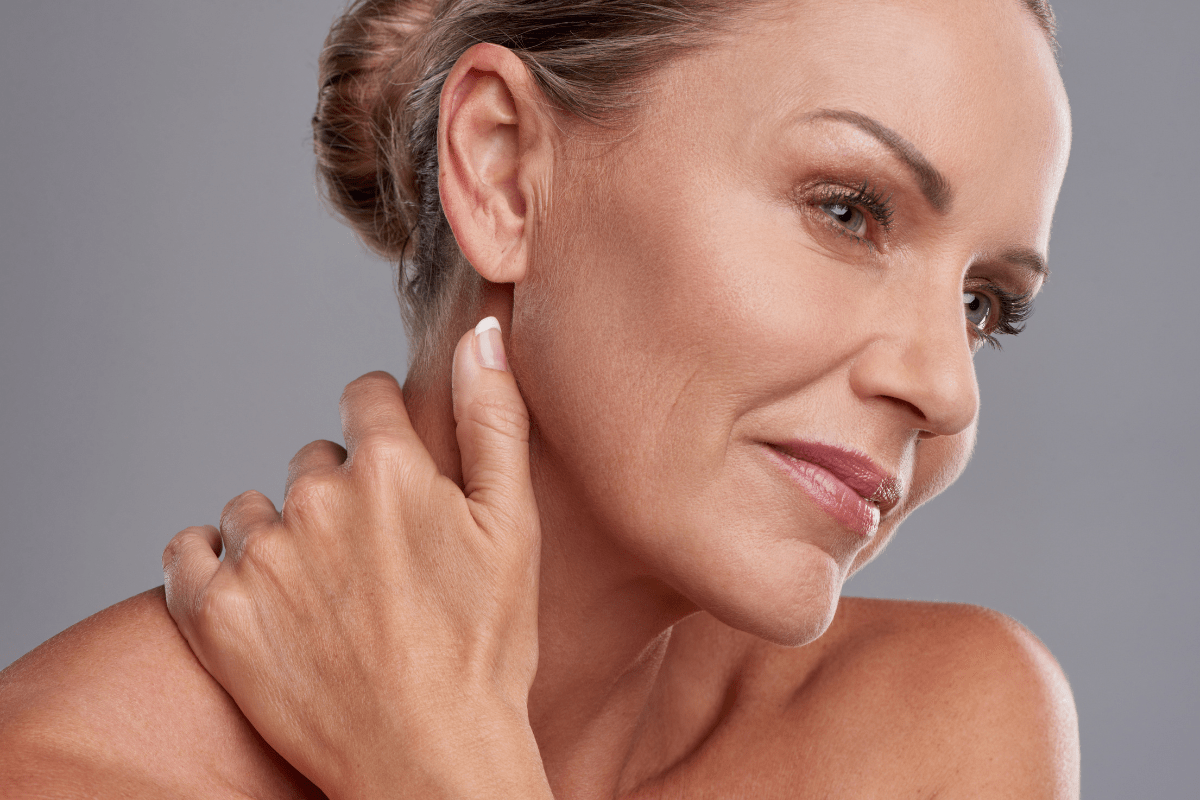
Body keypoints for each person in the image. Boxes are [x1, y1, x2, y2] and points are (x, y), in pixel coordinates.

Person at [0, 0, 1079, 796]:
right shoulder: (66, 773)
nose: (946, 385)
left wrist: (450, 773)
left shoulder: (948, 734)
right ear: (505, 168)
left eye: (986, 304)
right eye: (848, 210)